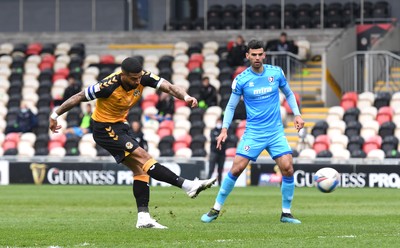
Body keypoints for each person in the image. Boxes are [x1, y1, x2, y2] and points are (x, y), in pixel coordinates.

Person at [49, 57, 216, 229]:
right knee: (144, 157)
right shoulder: (107, 86)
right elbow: (79, 96)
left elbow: (169, 86)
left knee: (139, 169)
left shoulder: (143, 77)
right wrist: (55, 115)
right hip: (103, 128)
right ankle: (188, 185)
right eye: (134, 78)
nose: (138, 81)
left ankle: (143, 218)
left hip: (120, 125)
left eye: (139, 77)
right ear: (123, 75)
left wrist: (186, 97)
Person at [201, 40, 305, 224]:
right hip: (254, 133)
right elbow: (231, 106)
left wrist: (297, 114)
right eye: (253, 54)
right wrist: (224, 129)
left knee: (288, 168)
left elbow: (289, 93)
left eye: (260, 54)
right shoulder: (241, 79)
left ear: (264, 55)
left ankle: (286, 213)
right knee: (237, 168)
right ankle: (215, 209)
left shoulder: (276, 73)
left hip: (275, 132)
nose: (257, 58)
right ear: (247, 56)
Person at [208, 117, 226, 185]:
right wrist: (219, 138)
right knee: (211, 169)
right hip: (214, 152)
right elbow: (212, 139)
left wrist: (218, 138)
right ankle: (207, 182)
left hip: (222, 153)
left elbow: (225, 140)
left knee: (220, 170)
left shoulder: (223, 132)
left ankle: (220, 184)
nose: (219, 124)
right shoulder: (213, 130)